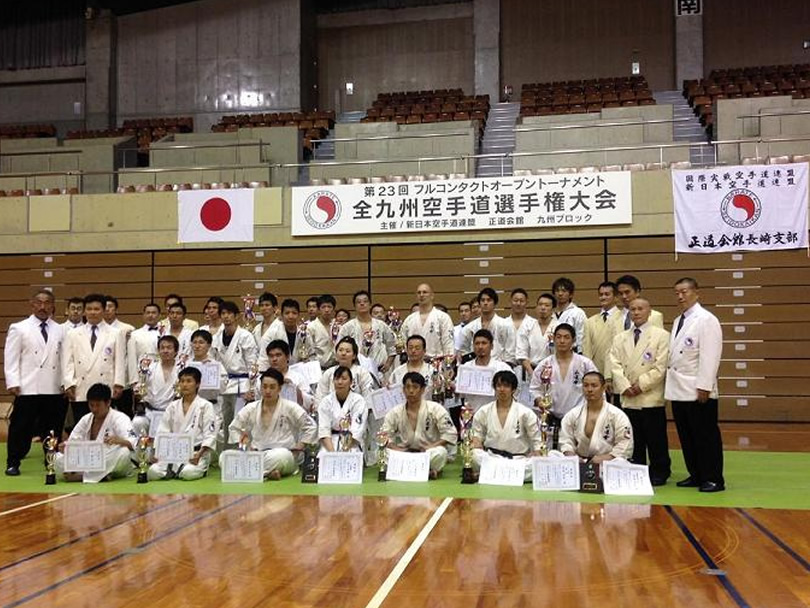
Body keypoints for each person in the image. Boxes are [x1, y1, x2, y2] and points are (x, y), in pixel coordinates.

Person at [666, 277, 725, 493]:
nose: (680, 296)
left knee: (705, 436)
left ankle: (713, 478)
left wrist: (705, 386)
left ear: (696, 292)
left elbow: (710, 356)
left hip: (698, 389)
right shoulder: (678, 320)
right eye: (677, 292)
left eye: (684, 291)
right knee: (687, 436)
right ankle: (696, 474)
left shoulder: (706, 319)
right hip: (678, 388)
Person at [609, 298, 671, 485]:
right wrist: (624, 385)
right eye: (633, 309)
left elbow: (661, 367)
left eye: (640, 309)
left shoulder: (661, 335)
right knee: (632, 438)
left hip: (650, 396)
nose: (636, 312)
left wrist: (640, 385)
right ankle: (636, 469)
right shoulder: (620, 337)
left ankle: (660, 471)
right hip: (628, 396)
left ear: (649, 312)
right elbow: (614, 363)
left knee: (655, 437)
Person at [4, 290, 66, 476]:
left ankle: (51, 461)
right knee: (20, 428)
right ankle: (13, 462)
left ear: (53, 305)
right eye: (39, 303)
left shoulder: (61, 329)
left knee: (52, 429)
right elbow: (11, 358)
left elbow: (64, 359)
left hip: (53, 387)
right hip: (28, 386)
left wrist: (66, 382)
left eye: (47, 303)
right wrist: (13, 381)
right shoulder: (19, 328)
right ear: (32, 304)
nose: (42, 307)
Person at [225, 368, 317, 480]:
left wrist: (300, 446)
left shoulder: (290, 407)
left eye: (272, 387)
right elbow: (234, 428)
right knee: (224, 457)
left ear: (279, 388)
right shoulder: (251, 408)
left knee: (282, 456)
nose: (268, 391)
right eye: (264, 387)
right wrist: (247, 446)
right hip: (256, 454)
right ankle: (267, 473)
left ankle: (249, 471)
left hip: (283, 454)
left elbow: (311, 427)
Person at [529, 324, 598, 443]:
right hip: (552, 419)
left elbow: (598, 389)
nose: (562, 341)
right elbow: (534, 389)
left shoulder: (585, 364)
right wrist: (539, 401)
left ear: (574, 340)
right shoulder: (545, 364)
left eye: (566, 337)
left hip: (578, 418)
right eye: (559, 337)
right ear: (553, 339)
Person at [62, 294, 126, 422]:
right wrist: (69, 384)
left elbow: (119, 361)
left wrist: (119, 383)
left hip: (105, 385)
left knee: (104, 425)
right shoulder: (73, 334)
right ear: (84, 311)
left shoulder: (115, 333)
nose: (93, 312)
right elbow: (67, 361)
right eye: (89, 309)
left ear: (103, 310)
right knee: (82, 424)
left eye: (96, 309)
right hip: (81, 387)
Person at [380, 372, 457, 479]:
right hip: (405, 453)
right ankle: (425, 471)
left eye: (415, 387)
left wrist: (432, 446)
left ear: (422, 390)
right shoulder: (395, 412)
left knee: (440, 453)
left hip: (427, 452)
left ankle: (405, 470)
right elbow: (384, 436)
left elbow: (450, 433)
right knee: (382, 453)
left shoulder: (435, 408)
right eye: (407, 387)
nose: (411, 391)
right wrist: (397, 448)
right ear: (403, 390)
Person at [54, 383, 136, 483]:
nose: (94, 409)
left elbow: (133, 444)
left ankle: (81, 476)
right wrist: (66, 447)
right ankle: (101, 475)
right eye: (91, 405)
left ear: (108, 403)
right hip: (89, 460)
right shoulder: (86, 419)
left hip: (109, 457)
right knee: (57, 458)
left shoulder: (120, 418)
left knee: (123, 453)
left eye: (98, 405)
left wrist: (120, 441)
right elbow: (74, 442)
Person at [148, 366, 219, 481]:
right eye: (182, 381)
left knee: (188, 473)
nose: (185, 385)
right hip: (173, 453)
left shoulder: (205, 406)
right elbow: (163, 431)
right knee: (152, 472)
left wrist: (199, 454)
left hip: (195, 453)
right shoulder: (172, 406)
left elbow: (210, 434)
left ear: (197, 384)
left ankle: (185, 470)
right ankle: (172, 470)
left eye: (189, 381)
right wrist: (158, 453)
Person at [470, 370, 543, 481]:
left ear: (513, 389)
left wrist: (537, 453)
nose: (502, 389)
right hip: (492, 457)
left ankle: (488, 474)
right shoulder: (484, 411)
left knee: (538, 463)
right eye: (498, 386)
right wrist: (476, 444)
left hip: (518, 460)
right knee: (474, 455)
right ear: (494, 388)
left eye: (506, 386)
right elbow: (477, 436)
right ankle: (508, 475)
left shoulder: (525, 412)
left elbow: (537, 439)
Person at [212, 301, 259, 450]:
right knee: (226, 421)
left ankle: (243, 451)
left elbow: (253, 364)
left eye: (229, 313)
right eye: (223, 314)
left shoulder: (245, 336)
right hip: (225, 384)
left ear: (236, 316)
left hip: (242, 384)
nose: (226, 317)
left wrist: (251, 387)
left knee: (241, 421)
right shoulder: (217, 337)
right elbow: (214, 361)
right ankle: (227, 452)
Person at [559, 372, 633, 463]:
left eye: (594, 386)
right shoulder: (573, 414)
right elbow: (565, 440)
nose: (589, 389)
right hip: (579, 462)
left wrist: (607, 458)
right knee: (553, 454)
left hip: (608, 462)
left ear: (603, 388)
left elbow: (625, 444)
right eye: (586, 385)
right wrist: (572, 456)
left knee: (620, 461)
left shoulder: (617, 415)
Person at [338, 290, 397, 380]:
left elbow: (392, 345)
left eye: (365, 301)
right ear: (354, 306)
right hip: (355, 371)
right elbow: (339, 348)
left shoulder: (381, 325)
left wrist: (388, 363)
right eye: (359, 302)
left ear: (370, 305)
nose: (362, 304)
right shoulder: (347, 327)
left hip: (378, 371)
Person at [132, 335, 181, 437]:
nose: (165, 351)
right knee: (137, 422)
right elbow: (140, 387)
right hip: (150, 411)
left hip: (172, 414)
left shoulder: (181, 370)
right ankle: (142, 451)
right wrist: (138, 392)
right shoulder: (149, 369)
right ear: (158, 351)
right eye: (162, 348)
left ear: (176, 351)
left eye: (169, 348)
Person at [457, 329, 512, 412]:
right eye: (477, 343)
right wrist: (450, 385)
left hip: (495, 412)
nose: (480, 347)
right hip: (471, 413)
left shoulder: (502, 367)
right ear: (473, 346)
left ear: (492, 346)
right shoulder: (466, 367)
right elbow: (459, 393)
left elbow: (514, 389)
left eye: (484, 343)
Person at [317, 366, 368, 454]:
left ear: (351, 382)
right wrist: (332, 453)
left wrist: (344, 449)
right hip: (330, 442)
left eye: (344, 379)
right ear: (333, 381)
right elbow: (324, 429)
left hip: (352, 443)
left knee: (351, 455)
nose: (340, 382)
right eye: (337, 379)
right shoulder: (326, 401)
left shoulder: (358, 401)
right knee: (324, 456)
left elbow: (357, 430)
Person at [459, 288, 516, 364]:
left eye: (489, 300)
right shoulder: (469, 328)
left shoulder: (506, 325)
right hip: (476, 366)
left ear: (495, 303)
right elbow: (464, 350)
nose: (485, 303)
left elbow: (510, 351)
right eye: (483, 300)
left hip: (499, 366)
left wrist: (505, 366)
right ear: (479, 303)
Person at [314, 336, 375, 406]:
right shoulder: (328, 373)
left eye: (348, 351)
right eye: (340, 350)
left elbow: (369, 399)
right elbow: (320, 397)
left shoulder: (362, 373)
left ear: (354, 355)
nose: (343, 353)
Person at [401, 283, 455, 359]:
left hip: (436, 363)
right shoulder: (409, 319)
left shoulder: (443, 317)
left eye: (425, 292)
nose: (421, 295)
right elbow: (403, 343)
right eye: (419, 292)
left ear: (432, 295)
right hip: (414, 363)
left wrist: (448, 364)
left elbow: (448, 344)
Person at [582, 281, 620, 387]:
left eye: (607, 294)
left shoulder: (622, 318)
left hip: (617, 372)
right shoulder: (590, 321)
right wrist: (589, 372)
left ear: (616, 297)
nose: (603, 297)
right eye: (601, 294)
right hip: (596, 372)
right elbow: (587, 350)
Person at [516, 293, 558, 378]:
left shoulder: (559, 327)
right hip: (530, 369)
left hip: (554, 370)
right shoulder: (527, 326)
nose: (543, 308)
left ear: (553, 309)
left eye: (547, 305)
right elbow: (522, 353)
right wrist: (532, 373)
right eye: (540, 305)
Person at [127, 302, 163, 396]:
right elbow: (131, 359)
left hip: (162, 374)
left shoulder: (165, 333)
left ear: (159, 315)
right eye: (148, 312)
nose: (150, 315)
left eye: (154, 313)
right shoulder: (134, 334)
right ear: (143, 315)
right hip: (142, 376)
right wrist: (133, 381)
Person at [552, 277, 587, 352]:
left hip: (572, 353)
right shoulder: (550, 313)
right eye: (557, 291)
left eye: (564, 291)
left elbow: (582, 336)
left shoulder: (578, 313)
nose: (560, 294)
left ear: (571, 294)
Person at [308, 294, 338, 369]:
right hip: (318, 367)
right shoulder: (311, 327)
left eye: (329, 307)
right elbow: (309, 350)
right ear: (318, 309)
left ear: (333, 309)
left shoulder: (338, 326)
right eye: (323, 307)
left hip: (336, 365)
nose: (326, 310)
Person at [253, 292, 282, 360]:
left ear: (275, 308)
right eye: (261, 305)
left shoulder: (280, 326)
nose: (264, 308)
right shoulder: (256, 328)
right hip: (259, 365)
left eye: (267, 305)